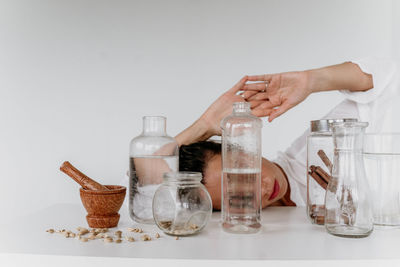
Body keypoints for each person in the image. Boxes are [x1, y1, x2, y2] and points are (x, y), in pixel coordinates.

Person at [176, 57, 400, 208]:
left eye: (246, 171)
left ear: (244, 147)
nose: (261, 189)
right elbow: (148, 199)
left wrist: (311, 80)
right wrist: (202, 126)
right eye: (238, 199)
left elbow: (388, 80)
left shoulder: (317, 149)